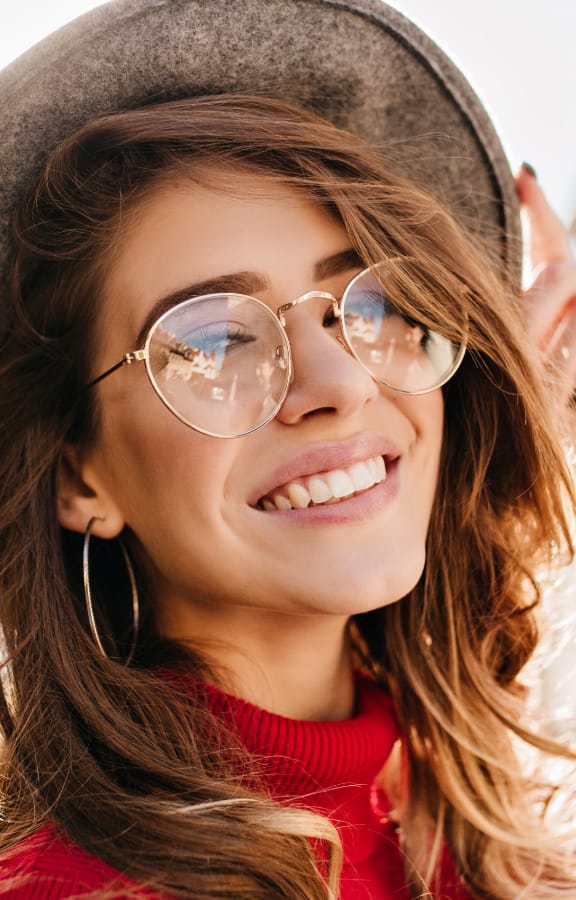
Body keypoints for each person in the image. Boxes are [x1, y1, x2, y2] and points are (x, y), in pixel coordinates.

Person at [0, 2, 575, 898]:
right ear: (79, 472)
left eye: (368, 307)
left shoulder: (462, 832)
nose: (340, 384)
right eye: (215, 343)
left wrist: (508, 449)